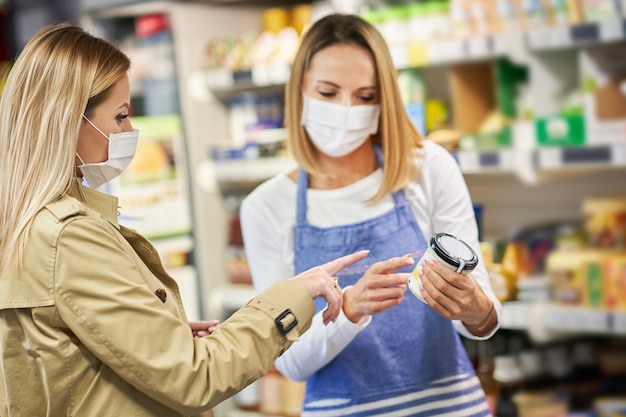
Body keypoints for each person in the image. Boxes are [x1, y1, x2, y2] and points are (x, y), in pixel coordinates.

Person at [0, 23, 387, 417]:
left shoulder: (27, 223)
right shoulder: (70, 237)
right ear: (69, 120)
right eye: (120, 116)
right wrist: (295, 295)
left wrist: (158, 333)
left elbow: (56, 361)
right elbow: (196, 378)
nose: (129, 130)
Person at [240, 13, 502, 417]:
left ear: (384, 101)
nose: (346, 110)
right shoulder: (266, 207)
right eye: (328, 92)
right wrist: (348, 308)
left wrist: (473, 306)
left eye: (365, 97)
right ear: (299, 93)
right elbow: (289, 362)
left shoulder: (429, 168)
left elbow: (485, 321)